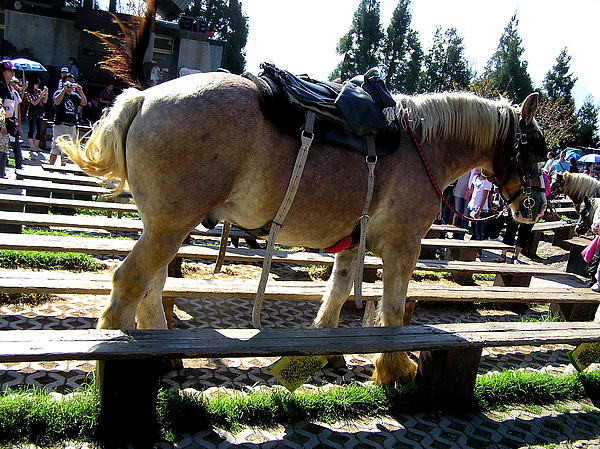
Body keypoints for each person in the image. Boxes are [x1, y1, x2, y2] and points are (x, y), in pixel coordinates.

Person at [49, 75, 87, 165]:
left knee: (68, 148)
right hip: (60, 124)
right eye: (68, 82)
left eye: (72, 83)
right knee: (56, 147)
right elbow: (56, 102)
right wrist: (64, 90)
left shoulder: (75, 96)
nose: (70, 85)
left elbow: (84, 103)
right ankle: (50, 166)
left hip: (71, 125)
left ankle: (63, 166)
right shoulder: (58, 92)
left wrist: (81, 92)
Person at [0, 60, 17, 177]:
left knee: (5, 150)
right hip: (2, 123)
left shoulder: (9, 87)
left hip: (8, 121)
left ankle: (2, 174)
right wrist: (1, 125)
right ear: (3, 71)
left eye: (13, 71)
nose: (12, 73)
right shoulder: (0, 85)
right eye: (10, 71)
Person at [25, 78, 48, 152]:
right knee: (32, 129)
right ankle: (31, 146)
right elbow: (34, 103)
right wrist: (41, 95)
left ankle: (36, 146)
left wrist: (46, 93)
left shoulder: (39, 91)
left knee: (39, 130)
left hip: (40, 112)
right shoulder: (28, 92)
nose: (37, 86)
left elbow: (44, 101)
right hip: (32, 112)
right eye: (36, 84)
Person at [8, 75, 23, 170]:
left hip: (14, 124)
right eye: (14, 82)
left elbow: (18, 111)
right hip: (6, 123)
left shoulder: (16, 94)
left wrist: (19, 127)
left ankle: (19, 168)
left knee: (17, 149)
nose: (16, 84)